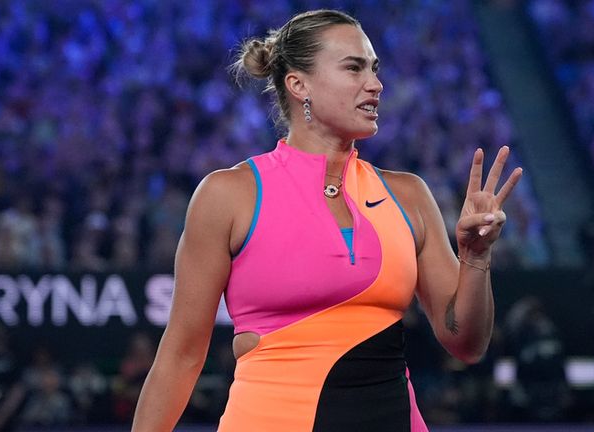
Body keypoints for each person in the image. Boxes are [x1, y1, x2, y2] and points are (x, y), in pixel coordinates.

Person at [132, 9, 522, 431]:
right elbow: (182, 354)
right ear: (299, 85)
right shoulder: (229, 195)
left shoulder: (408, 196)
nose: (375, 84)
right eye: (354, 68)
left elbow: (466, 343)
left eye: (374, 69)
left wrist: (475, 257)